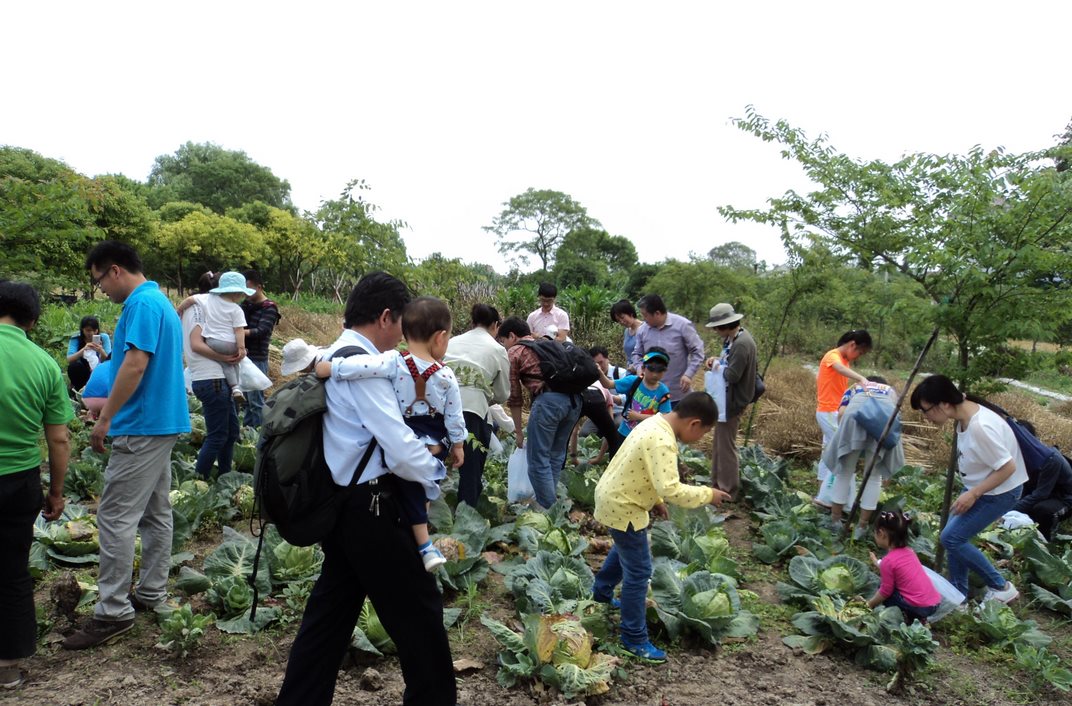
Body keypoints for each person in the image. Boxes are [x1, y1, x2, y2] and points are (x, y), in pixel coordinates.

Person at [275, 272, 455, 706]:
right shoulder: (368, 368)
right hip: (376, 509)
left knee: (329, 617)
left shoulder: (333, 354)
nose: (404, 338)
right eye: (403, 325)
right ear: (387, 317)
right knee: (420, 618)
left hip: (344, 505)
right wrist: (436, 466)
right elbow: (398, 448)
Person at [63, 241, 190, 650]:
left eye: (99, 282)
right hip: (162, 421)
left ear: (114, 270)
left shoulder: (140, 305)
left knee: (116, 517)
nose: (102, 291)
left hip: (142, 424)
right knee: (155, 512)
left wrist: (105, 418)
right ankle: (151, 592)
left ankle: (112, 611)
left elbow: (135, 363)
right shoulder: (161, 303)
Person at [317, 296, 463, 571]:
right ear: (441, 338)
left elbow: (359, 367)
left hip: (405, 434)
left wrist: (329, 367)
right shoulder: (446, 376)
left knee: (409, 488)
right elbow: (455, 416)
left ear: (405, 332)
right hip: (431, 437)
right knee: (424, 487)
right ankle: (425, 543)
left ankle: (423, 544)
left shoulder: (392, 361)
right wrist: (458, 445)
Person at [592, 392, 731, 662]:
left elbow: (644, 470)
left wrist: (654, 500)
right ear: (694, 423)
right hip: (625, 505)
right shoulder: (663, 441)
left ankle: (601, 593)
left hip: (615, 497)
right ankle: (633, 638)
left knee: (626, 550)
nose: (700, 439)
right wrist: (708, 494)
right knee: (640, 570)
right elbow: (671, 489)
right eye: (703, 433)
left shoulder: (654, 423)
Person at [0, 281, 72, 689]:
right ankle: (7, 668)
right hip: (19, 481)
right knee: (11, 572)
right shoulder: (43, 362)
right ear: (31, 319)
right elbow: (59, 439)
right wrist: (56, 492)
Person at [910, 374, 1026, 603]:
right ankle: (958, 593)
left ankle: (1001, 587)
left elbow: (1008, 467)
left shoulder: (980, 427)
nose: (926, 417)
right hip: (981, 487)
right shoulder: (965, 415)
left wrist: (974, 493)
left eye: (926, 410)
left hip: (999, 493)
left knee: (951, 539)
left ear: (945, 404)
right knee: (954, 536)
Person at [498, 316, 581, 509]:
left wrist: (518, 432)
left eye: (504, 341)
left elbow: (515, 397)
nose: (504, 346)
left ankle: (548, 507)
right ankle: (550, 505)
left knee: (537, 460)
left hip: (549, 403)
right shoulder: (550, 344)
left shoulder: (516, 351)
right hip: (575, 402)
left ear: (512, 336)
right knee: (556, 455)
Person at [443, 303, 511, 509]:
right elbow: (502, 393)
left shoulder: (452, 342)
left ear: (472, 323)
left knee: (435, 460)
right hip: (472, 413)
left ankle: (428, 514)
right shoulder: (497, 349)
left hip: (441, 407)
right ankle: (466, 515)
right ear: (496, 326)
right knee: (471, 467)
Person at [825, 377, 905, 539]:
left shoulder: (856, 386)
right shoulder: (890, 390)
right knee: (874, 476)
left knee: (845, 472)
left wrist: (847, 438)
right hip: (882, 424)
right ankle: (862, 526)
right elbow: (894, 416)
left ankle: (835, 521)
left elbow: (841, 413)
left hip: (854, 417)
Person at [181, 280, 242, 481]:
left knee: (231, 432)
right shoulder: (198, 309)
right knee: (218, 435)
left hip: (216, 378)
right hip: (211, 378)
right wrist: (225, 357)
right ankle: (199, 480)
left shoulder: (200, 305)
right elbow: (196, 344)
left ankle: (225, 476)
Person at [702, 303, 757, 501]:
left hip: (732, 401)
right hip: (726, 398)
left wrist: (716, 365)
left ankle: (728, 491)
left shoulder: (742, 344)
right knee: (720, 443)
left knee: (726, 447)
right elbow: (729, 363)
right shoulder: (733, 339)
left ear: (726, 325)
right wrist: (717, 360)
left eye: (717, 327)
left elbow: (733, 375)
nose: (716, 331)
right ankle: (717, 484)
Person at [814, 329, 872, 508]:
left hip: (833, 411)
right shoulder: (833, 356)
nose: (858, 356)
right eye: (859, 352)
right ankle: (841, 500)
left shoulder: (845, 361)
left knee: (828, 451)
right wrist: (861, 378)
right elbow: (837, 368)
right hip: (829, 412)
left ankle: (822, 491)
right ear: (852, 344)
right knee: (843, 452)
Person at [175, 271, 252, 403]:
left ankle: (234, 387)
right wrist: (241, 348)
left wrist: (178, 311)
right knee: (234, 363)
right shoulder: (236, 309)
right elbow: (239, 330)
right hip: (229, 344)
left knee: (225, 363)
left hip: (212, 342)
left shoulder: (206, 299)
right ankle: (236, 387)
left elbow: (188, 300)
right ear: (237, 293)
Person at [865, 511, 941, 625]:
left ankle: (907, 617)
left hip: (919, 607)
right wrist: (878, 563)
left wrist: (869, 604)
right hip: (934, 603)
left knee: (884, 589)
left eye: (875, 532)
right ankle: (920, 618)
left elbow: (885, 592)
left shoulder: (888, 561)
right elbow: (900, 568)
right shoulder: (910, 552)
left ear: (881, 533)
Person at [630, 294, 704, 406]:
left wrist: (688, 374)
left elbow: (698, 351)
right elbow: (637, 353)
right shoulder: (642, 330)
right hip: (651, 396)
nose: (643, 319)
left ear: (657, 313)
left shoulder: (682, 325)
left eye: (645, 315)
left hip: (677, 394)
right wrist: (639, 368)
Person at [1008, 422, 1072, 540]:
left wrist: (1008, 512)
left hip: (1064, 498)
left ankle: (1047, 539)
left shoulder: (1051, 459)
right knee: (1021, 506)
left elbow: (1040, 495)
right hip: (1043, 493)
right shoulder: (1022, 457)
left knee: (1042, 510)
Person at [600, 348, 673, 447]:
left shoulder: (663, 391)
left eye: (660, 370)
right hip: (625, 432)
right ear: (643, 368)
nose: (655, 374)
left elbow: (665, 418)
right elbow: (608, 384)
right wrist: (599, 372)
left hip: (646, 439)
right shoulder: (634, 381)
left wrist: (639, 417)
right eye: (651, 369)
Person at [240, 269, 280, 428]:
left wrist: (240, 333)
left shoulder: (269, 307)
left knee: (256, 401)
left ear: (260, 286)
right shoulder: (245, 305)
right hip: (243, 356)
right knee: (245, 401)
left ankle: (257, 436)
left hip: (257, 358)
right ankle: (247, 433)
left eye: (250, 289)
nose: (247, 293)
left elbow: (262, 331)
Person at [66, 315, 112, 391]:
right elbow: (69, 359)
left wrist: (100, 350)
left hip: (99, 369)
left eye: (94, 330)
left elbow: (109, 360)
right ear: (82, 330)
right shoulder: (76, 339)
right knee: (73, 367)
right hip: (83, 369)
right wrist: (83, 350)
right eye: (88, 330)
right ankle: (79, 389)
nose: (92, 333)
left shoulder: (104, 338)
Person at [611, 299, 642, 370]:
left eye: (622, 317)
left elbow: (649, 354)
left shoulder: (645, 329)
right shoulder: (626, 331)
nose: (622, 322)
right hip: (629, 372)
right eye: (618, 320)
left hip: (642, 371)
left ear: (630, 313)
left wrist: (636, 366)